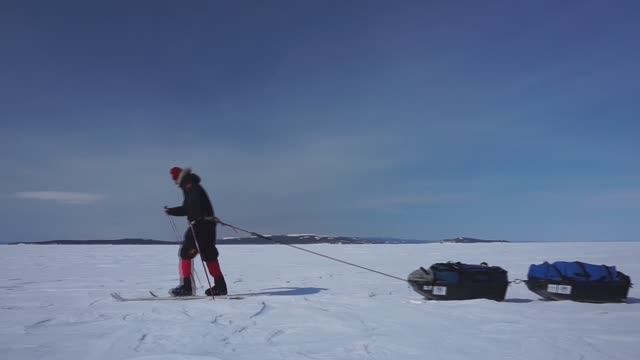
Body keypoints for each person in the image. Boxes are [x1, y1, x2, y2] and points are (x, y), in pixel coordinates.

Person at [165, 166, 228, 296]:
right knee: (209, 255)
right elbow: (188, 207)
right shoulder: (191, 185)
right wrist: (172, 211)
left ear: (177, 177)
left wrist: (192, 216)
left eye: (174, 179)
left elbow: (191, 207)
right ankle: (220, 286)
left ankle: (186, 287)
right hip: (208, 226)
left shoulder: (189, 185)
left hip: (200, 226)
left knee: (185, 253)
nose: (174, 182)